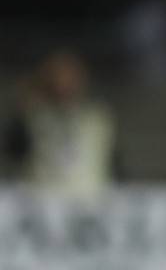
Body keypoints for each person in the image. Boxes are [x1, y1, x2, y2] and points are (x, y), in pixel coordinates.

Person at [2, 50, 116, 197]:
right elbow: (13, 150)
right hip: (42, 201)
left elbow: (113, 160)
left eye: (69, 76)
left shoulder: (96, 119)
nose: (63, 83)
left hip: (89, 201)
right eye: (56, 76)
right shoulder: (33, 117)